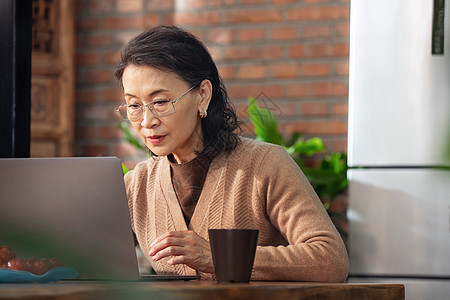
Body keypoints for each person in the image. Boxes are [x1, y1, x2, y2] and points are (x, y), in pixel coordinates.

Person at [114, 25, 349, 282]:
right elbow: (88, 262)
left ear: (203, 95)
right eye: (134, 105)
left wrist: (220, 257)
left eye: (160, 102)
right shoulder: (136, 185)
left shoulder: (265, 164)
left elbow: (330, 259)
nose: (147, 121)